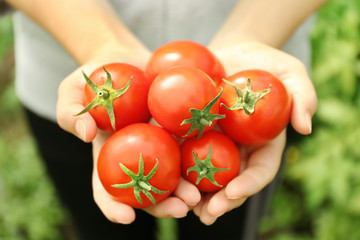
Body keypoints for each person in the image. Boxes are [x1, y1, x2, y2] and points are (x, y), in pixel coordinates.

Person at [3, 0, 327, 239]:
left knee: (222, 227)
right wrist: (99, 43)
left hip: (252, 67)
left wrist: (255, 32)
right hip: (71, 75)